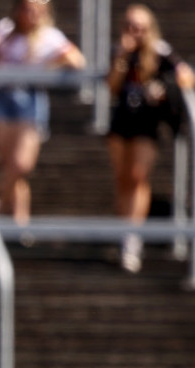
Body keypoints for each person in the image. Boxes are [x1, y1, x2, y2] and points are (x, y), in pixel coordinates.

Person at [0, 0, 85, 224]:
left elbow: (76, 60)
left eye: (37, 9)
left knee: (21, 164)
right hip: (3, 97)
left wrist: (46, 69)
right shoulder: (6, 28)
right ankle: (20, 220)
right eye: (27, 7)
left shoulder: (50, 36)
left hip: (30, 98)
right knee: (9, 165)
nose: (32, 13)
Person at [107, 3, 194, 273]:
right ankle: (125, 231)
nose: (135, 32)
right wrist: (123, 55)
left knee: (137, 176)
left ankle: (132, 237)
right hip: (122, 121)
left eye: (140, 28)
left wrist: (164, 88)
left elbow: (186, 75)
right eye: (130, 26)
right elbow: (111, 87)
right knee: (123, 178)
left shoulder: (160, 51)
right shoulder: (119, 53)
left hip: (147, 123)